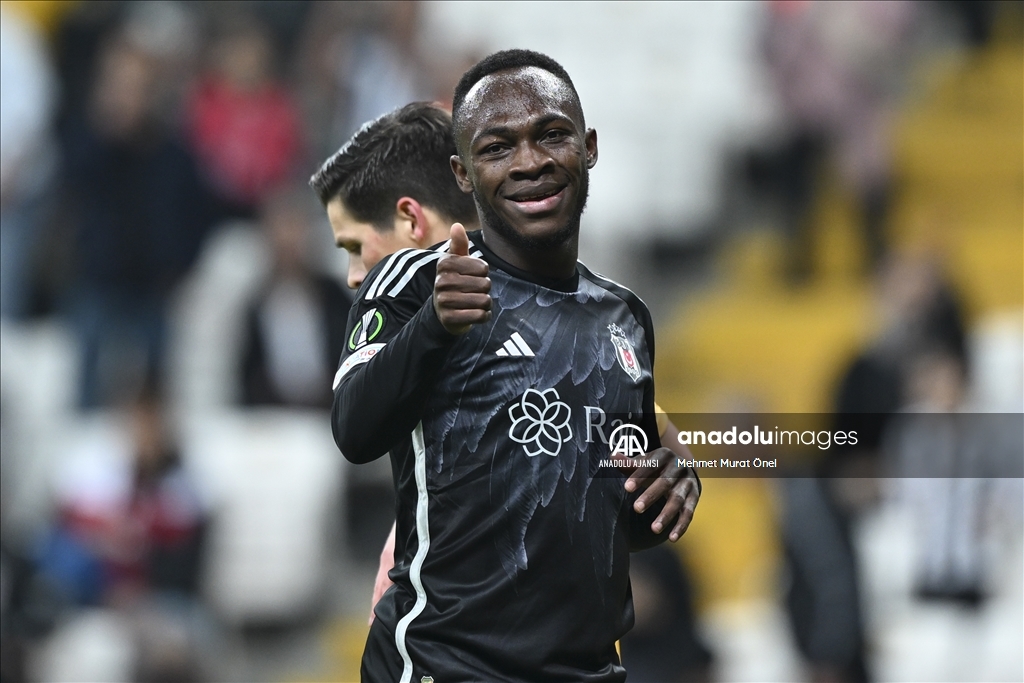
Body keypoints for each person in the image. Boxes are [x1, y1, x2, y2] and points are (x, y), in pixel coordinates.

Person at [321, 50, 700, 682]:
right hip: (445, 667)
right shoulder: (418, 279)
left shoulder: (625, 317)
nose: (529, 162)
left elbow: (609, 505)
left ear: (589, 148)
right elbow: (353, 430)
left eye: (551, 135)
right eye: (497, 148)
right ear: (462, 174)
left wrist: (669, 488)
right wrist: (434, 325)